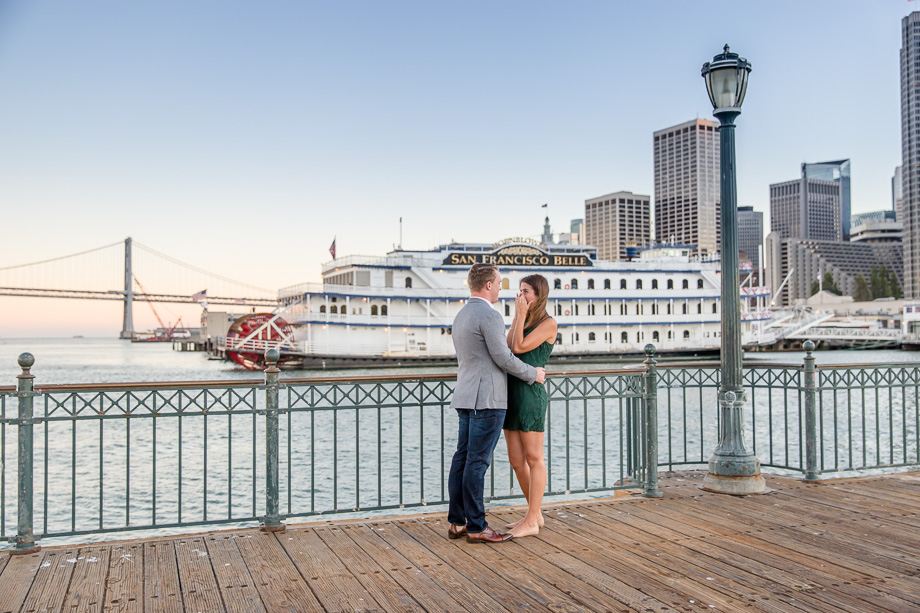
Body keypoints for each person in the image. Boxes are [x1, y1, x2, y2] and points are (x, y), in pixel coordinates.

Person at [447, 263, 546, 544]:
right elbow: (503, 357)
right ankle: (477, 526)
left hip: (465, 395)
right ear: (488, 285)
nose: (502, 288)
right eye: (499, 283)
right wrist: (533, 374)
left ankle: (457, 522)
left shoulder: (461, 315)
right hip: (487, 399)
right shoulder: (488, 316)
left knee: (462, 460)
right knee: (476, 463)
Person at [503, 274, 556, 537]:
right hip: (511, 393)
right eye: (519, 291)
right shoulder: (521, 318)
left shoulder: (548, 324)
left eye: (526, 292)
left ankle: (532, 520)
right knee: (515, 460)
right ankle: (534, 514)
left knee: (534, 458)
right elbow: (507, 346)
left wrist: (521, 316)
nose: (520, 296)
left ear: (539, 295)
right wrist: (517, 316)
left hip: (531, 394)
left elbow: (520, 346)